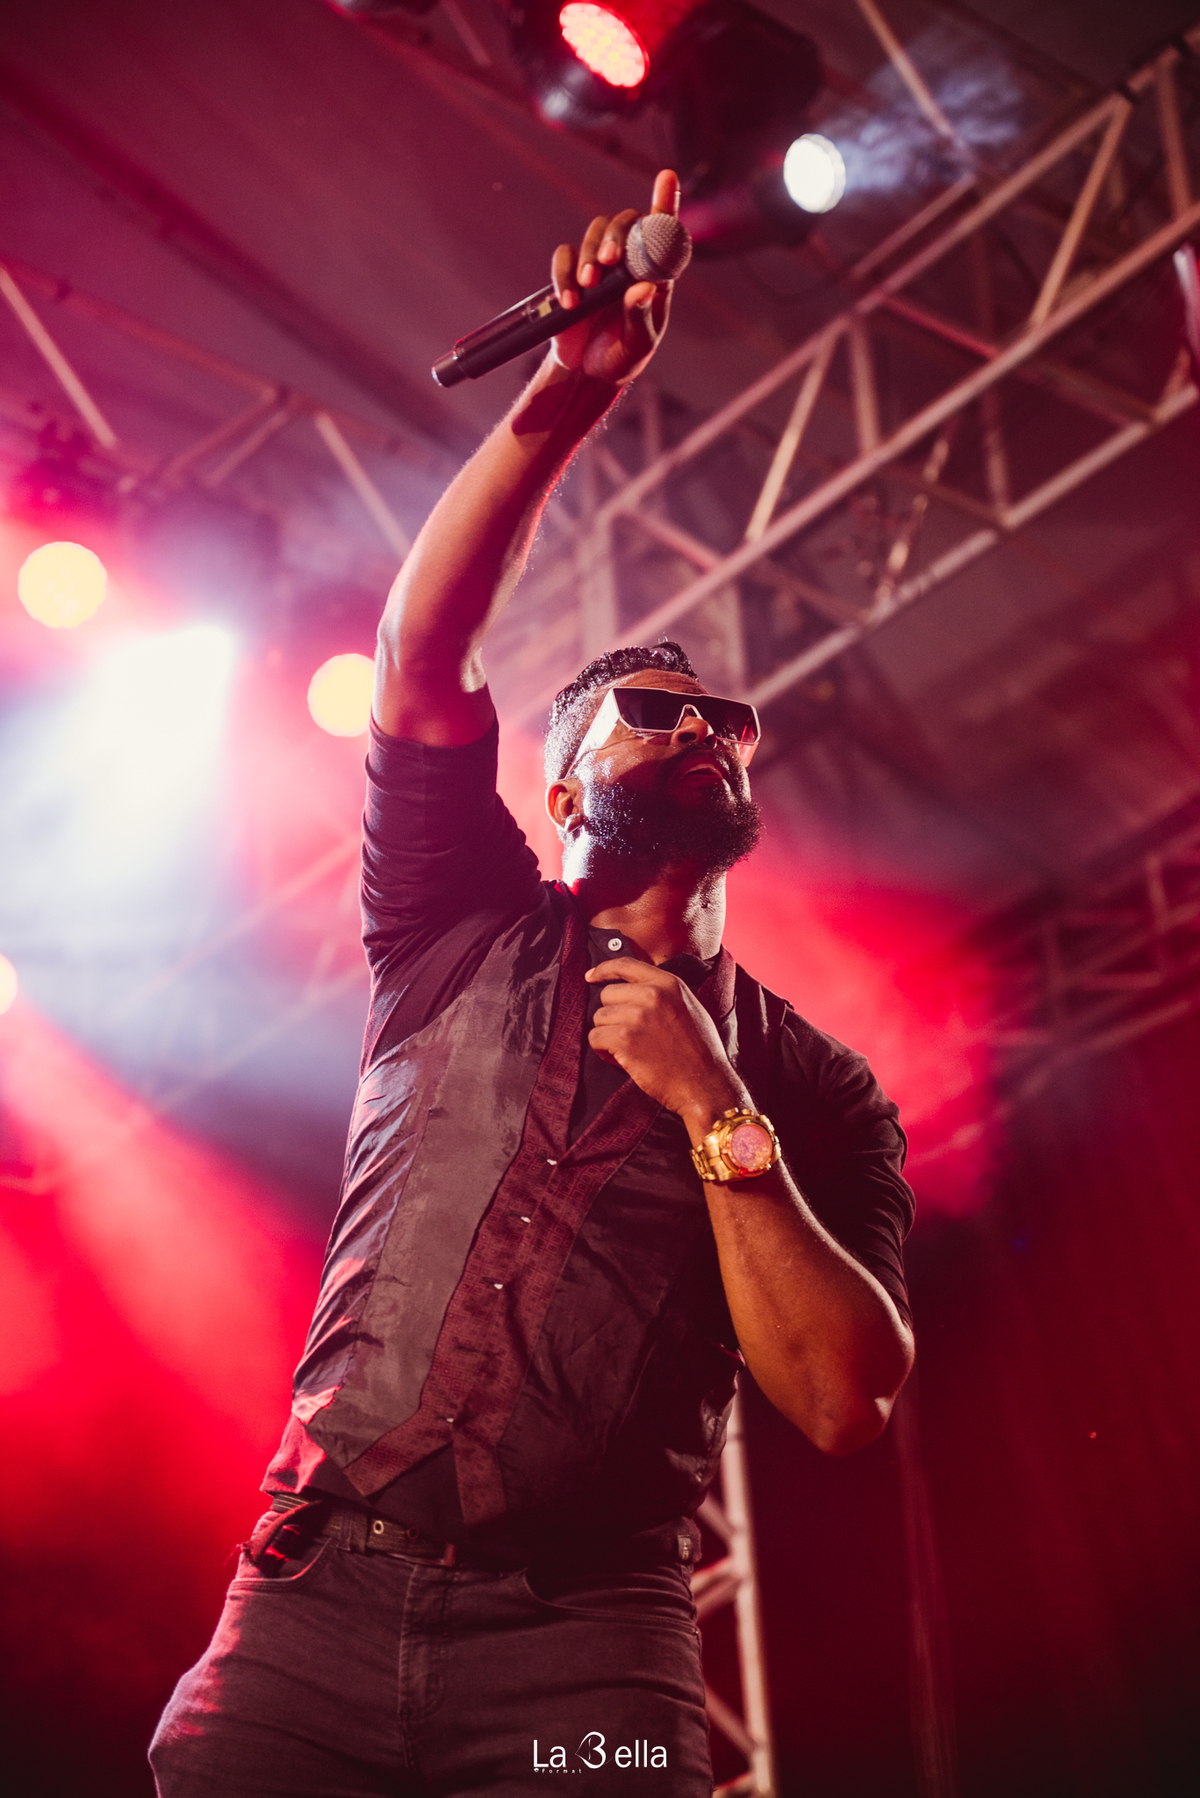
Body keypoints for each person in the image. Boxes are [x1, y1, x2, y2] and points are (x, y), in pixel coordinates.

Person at [150, 168, 914, 1797]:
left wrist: (720, 1113)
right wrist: (568, 395)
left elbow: (847, 1396)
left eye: (720, 718)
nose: (700, 723)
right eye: (651, 707)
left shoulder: (814, 1086)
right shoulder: (455, 921)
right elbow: (419, 659)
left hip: (589, 1655)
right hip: (314, 1602)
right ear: (560, 791)